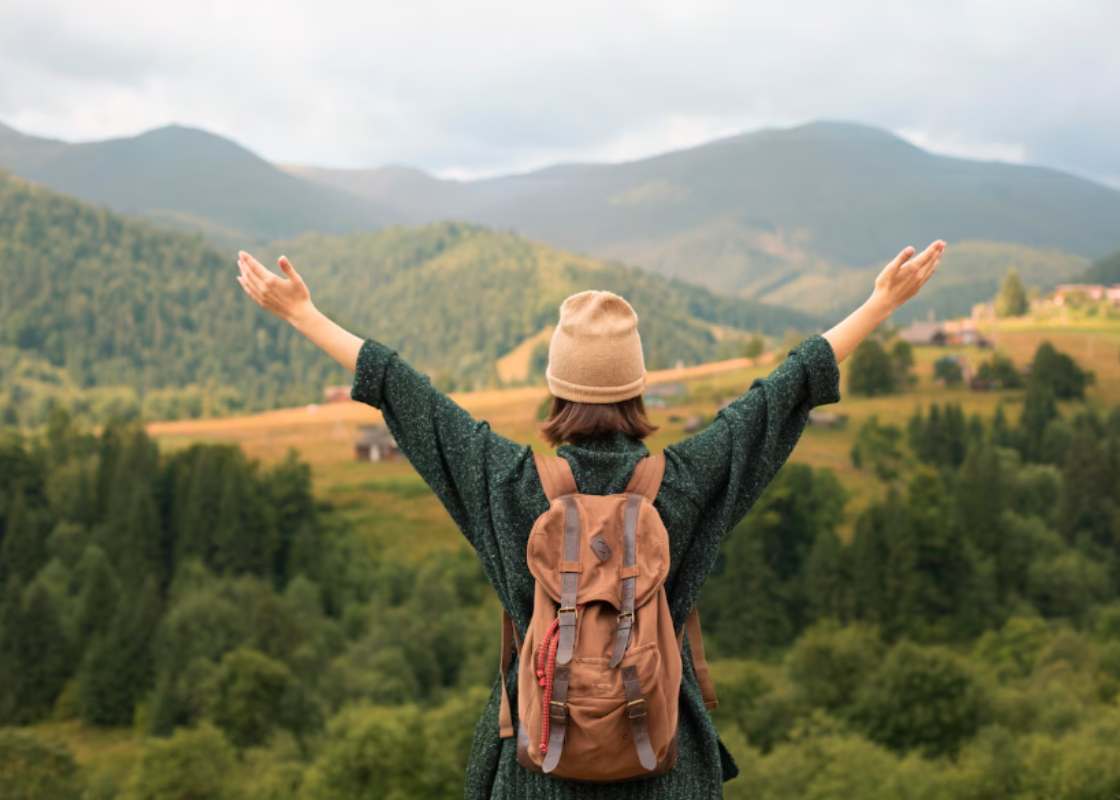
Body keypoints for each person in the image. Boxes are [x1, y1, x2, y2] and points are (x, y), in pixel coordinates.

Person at [235, 239, 945, 799]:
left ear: (556, 389)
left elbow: (404, 392)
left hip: (536, 765)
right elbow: (782, 393)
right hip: (666, 765)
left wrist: (301, 314)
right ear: (637, 388)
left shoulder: (507, 481)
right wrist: (880, 303)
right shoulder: (686, 481)